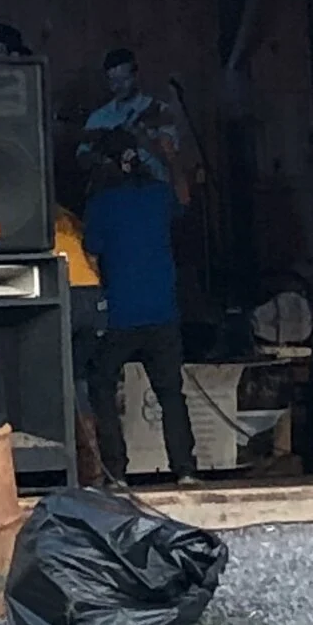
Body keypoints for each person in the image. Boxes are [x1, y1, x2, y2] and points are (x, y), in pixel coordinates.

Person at [79, 135, 201, 487]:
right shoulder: (157, 196)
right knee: (170, 393)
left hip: (119, 314)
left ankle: (116, 471)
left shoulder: (101, 205)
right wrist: (172, 157)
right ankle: (185, 469)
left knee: (101, 385)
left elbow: (92, 252)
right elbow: (185, 198)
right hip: (162, 311)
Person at [77, 47, 183, 193]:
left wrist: (142, 138)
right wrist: (102, 159)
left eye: (123, 80)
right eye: (112, 81)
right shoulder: (98, 118)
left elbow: (171, 159)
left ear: (136, 75)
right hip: (112, 195)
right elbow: (82, 158)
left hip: (153, 193)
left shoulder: (159, 110)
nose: (118, 86)